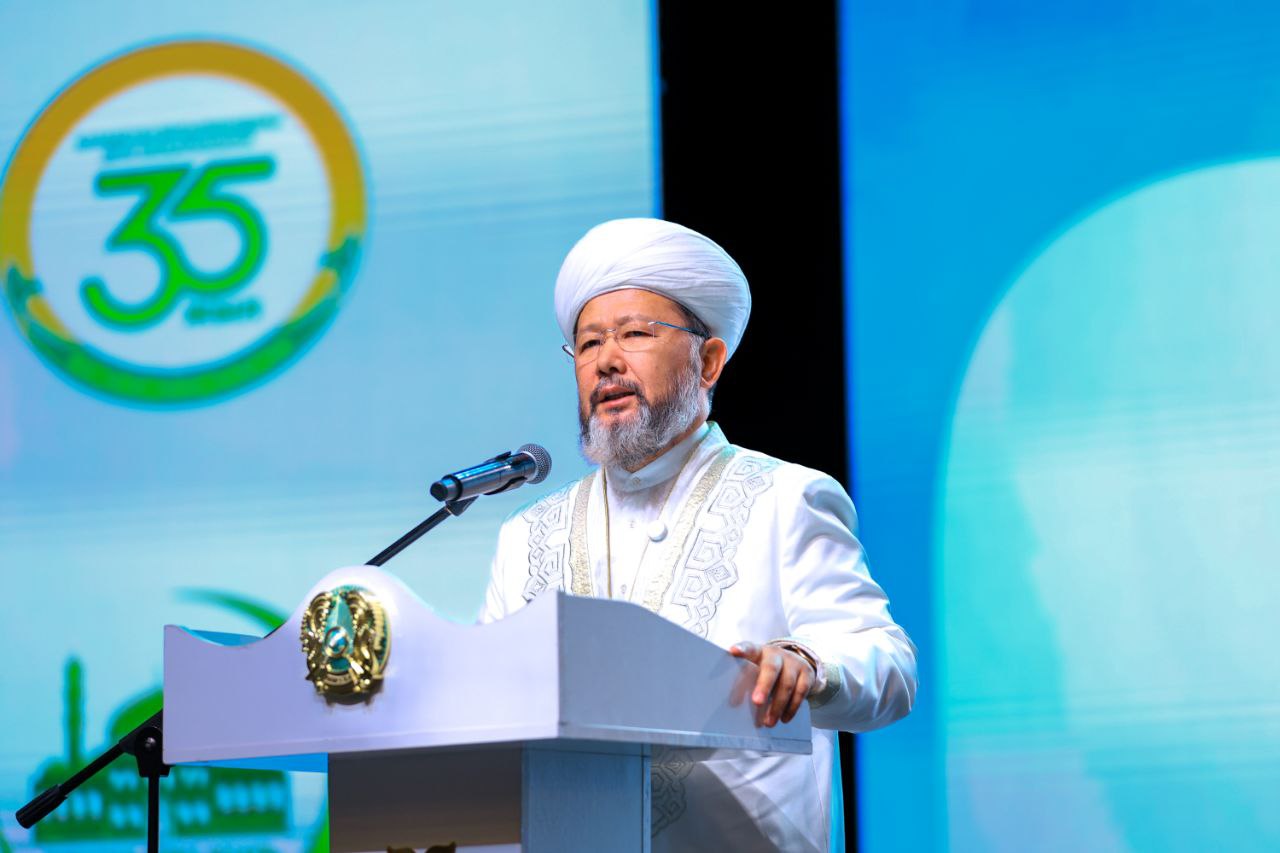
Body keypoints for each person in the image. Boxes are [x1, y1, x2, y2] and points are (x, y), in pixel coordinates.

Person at [480, 218, 917, 851]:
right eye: (589, 343)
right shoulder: (527, 533)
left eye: (635, 334)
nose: (606, 361)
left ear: (708, 361)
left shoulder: (786, 497)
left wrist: (809, 666)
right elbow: (483, 705)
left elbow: (890, 666)